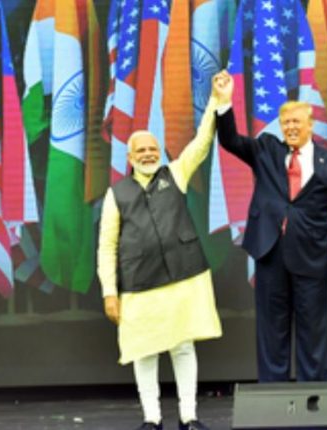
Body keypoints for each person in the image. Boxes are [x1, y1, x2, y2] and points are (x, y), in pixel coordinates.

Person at [212, 70, 327, 382]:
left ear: (311, 125)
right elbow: (230, 140)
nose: (290, 127)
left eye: (296, 122)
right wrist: (224, 103)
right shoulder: (266, 150)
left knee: (313, 331)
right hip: (270, 254)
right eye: (285, 123)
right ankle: (272, 395)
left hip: (312, 257)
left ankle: (314, 397)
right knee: (271, 330)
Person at [97, 75, 228, 430]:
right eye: (141, 151)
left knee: (183, 348)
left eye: (152, 149)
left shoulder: (176, 173)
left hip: (183, 278)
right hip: (138, 284)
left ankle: (189, 417)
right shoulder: (116, 194)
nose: (148, 154)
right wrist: (109, 292)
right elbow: (107, 246)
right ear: (130, 157)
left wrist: (216, 102)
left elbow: (201, 143)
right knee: (145, 351)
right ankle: (151, 420)